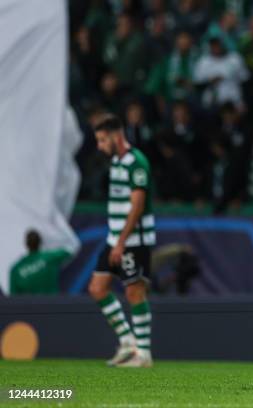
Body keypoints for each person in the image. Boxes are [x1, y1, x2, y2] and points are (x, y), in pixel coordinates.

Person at [88, 114, 155, 368]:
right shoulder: (116, 162)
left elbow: (137, 206)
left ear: (117, 137)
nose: (99, 146)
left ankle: (144, 354)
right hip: (114, 237)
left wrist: (121, 242)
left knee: (134, 291)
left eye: (103, 140)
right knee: (97, 288)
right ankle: (128, 342)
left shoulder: (136, 163)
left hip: (133, 241)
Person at [9, 230, 72, 295]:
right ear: (40, 242)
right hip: (53, 303)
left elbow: (13, 299)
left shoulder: (16, 270)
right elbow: (69, 250)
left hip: (31, 304)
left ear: (26, 244)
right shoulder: (52, 257)